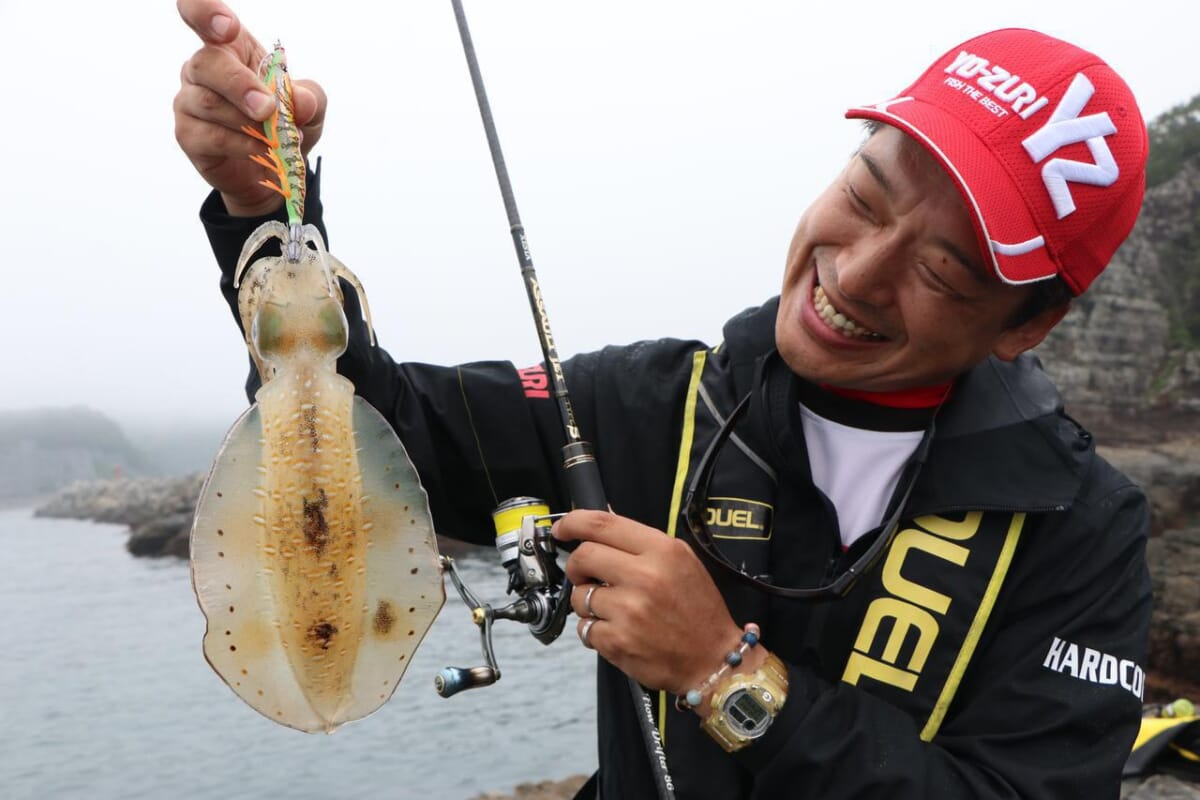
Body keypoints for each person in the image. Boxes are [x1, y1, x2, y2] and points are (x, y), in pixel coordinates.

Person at [175, 2, 1153, 797]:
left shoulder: (1082, 530)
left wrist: (724, 668)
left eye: (939, 270)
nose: (855, 273)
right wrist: (266, 208)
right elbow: (385, 430)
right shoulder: (654, 402)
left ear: (1027, 325)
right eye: (866, 194)